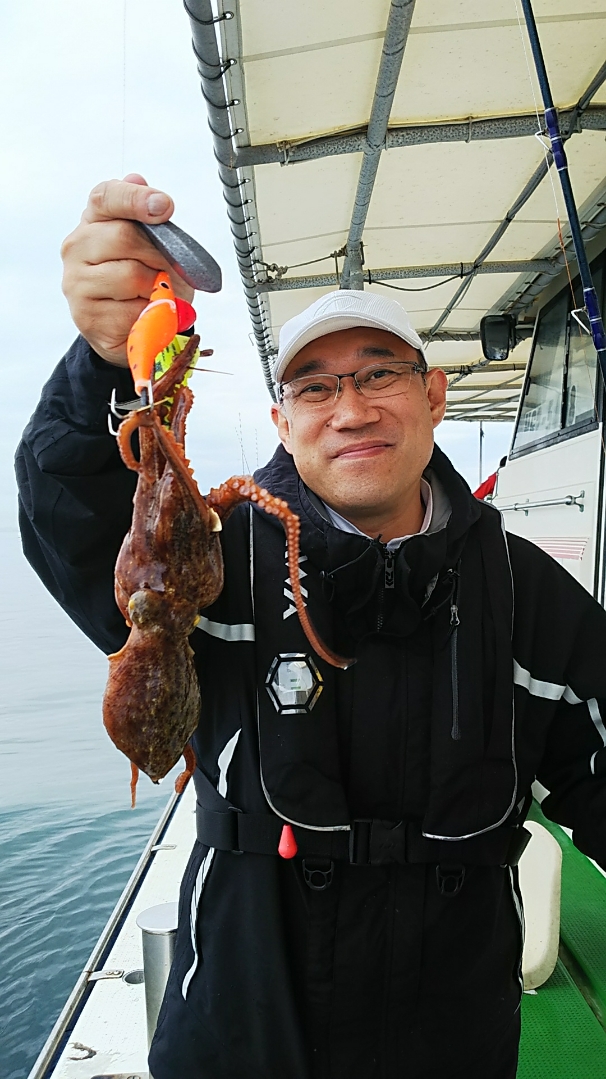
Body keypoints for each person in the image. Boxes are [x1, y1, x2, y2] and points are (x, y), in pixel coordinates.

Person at [15, 177, 606, 1079]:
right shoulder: (208, 571)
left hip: (450, 1041)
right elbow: (76, 513)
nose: (353, 407)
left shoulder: (531, 597)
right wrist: (106, 359)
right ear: (284, 421)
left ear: (435, 395)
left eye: (380, 374)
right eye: (317, 385)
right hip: (242, 1032)